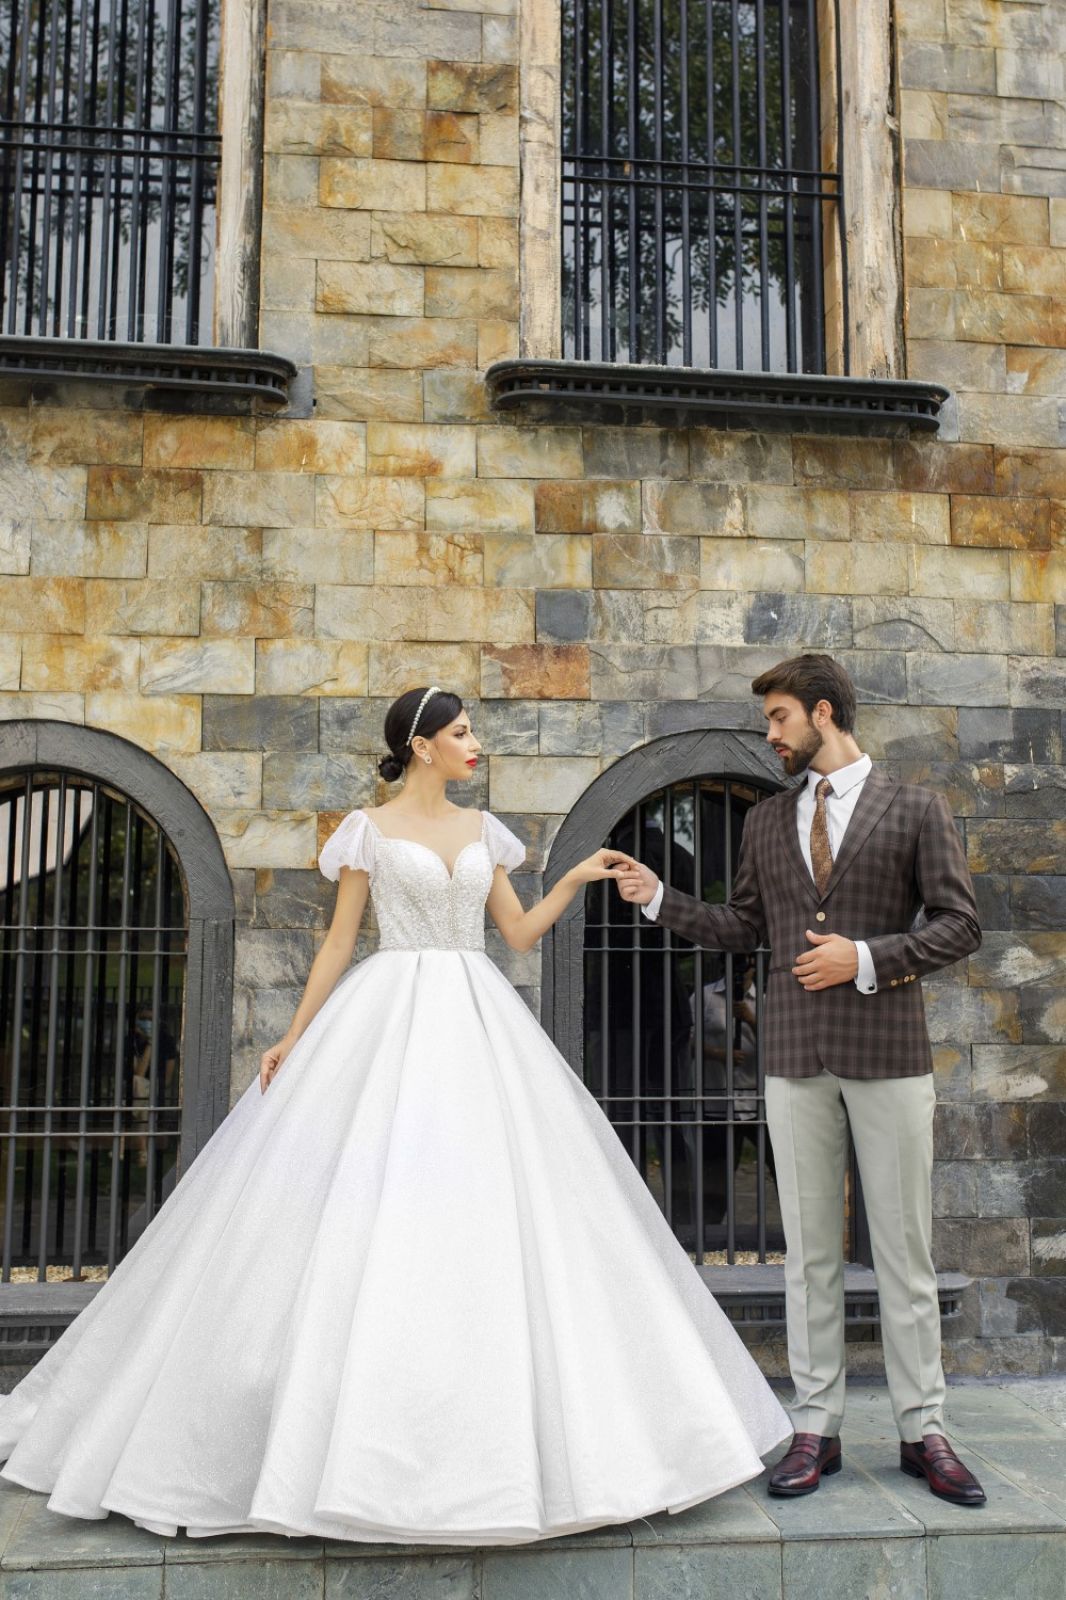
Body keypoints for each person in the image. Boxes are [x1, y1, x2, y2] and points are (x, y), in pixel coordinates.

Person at [0, 686, 789, 1545]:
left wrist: (569, 877)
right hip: (384, 1014)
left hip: (478, 1019)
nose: (474, 744)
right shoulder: (367, 832)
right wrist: (292, 1039)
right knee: (363, 1201)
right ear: (420, 746)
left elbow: (518, 935)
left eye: (471, 732)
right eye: (460, 733)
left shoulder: (485, 833)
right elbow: (340, 942)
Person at [615, 654, 987, 1509]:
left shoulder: (916, 806)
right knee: (809, 1254)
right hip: (791, 1058)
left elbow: (960, 923)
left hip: (888, 1054)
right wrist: (657, 898)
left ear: (824, 713)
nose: (770, 735)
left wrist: (866, 957)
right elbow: (744, 925)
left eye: (780, 718)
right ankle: (814, 1426)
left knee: (903, 1251)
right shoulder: (766, 822)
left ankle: (923, 1428)